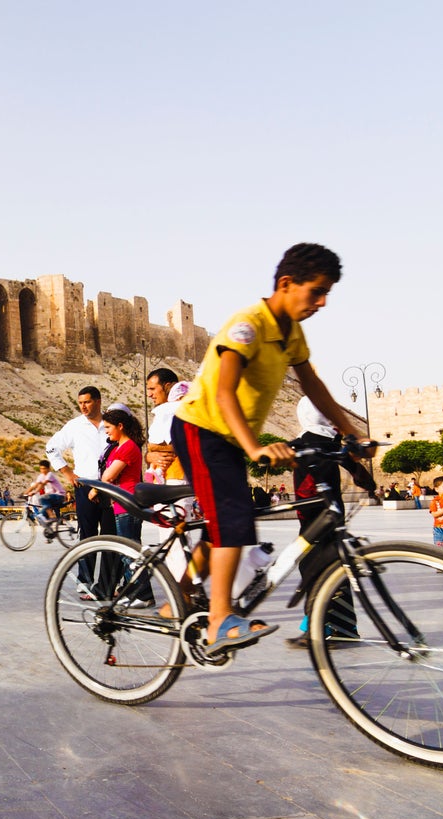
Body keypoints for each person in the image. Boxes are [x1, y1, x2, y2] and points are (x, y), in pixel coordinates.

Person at [171, 243, 365, 654]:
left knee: (230, 521)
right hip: (200, 428)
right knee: (234, 519)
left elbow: (311, 384)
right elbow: (224, 393)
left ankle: (180, 594)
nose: (323, 302)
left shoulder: (291, 331)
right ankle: (220, 621)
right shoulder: (248, 324)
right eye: (317, 291)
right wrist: (256, 447)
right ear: (286, 283)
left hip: (227, 438)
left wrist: (351, 431)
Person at [285, 397, 375, 649]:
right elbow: (360, 475)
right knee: (336, 565)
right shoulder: (333, 442)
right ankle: (345, 627)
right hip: (333, 513)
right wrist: (367, 483)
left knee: (311, 566)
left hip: (311, 517)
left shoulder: (302, 442)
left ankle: (315, 626)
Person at [46, 386, 110, 599]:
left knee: (110, 536)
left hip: (109, 486)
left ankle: (107, 584)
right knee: (87, 535)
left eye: (87, 402)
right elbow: (51, 447)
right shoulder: (74, 426)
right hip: (85, 486)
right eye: (80, 402)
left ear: (98, 401)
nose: (83, 406)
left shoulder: (110, 423)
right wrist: (67, 472)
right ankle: (86, 581)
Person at [100, 408, 149, 605]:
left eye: (109, 427)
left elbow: (108, 476)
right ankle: (135, 593)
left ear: (120, 426)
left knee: (130, 551)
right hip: (120, 504)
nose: (106, 432)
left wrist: (105, 478)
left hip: (127, 503)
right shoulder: (120, 447)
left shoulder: (128, 447)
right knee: (127, 551)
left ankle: (142, 595)